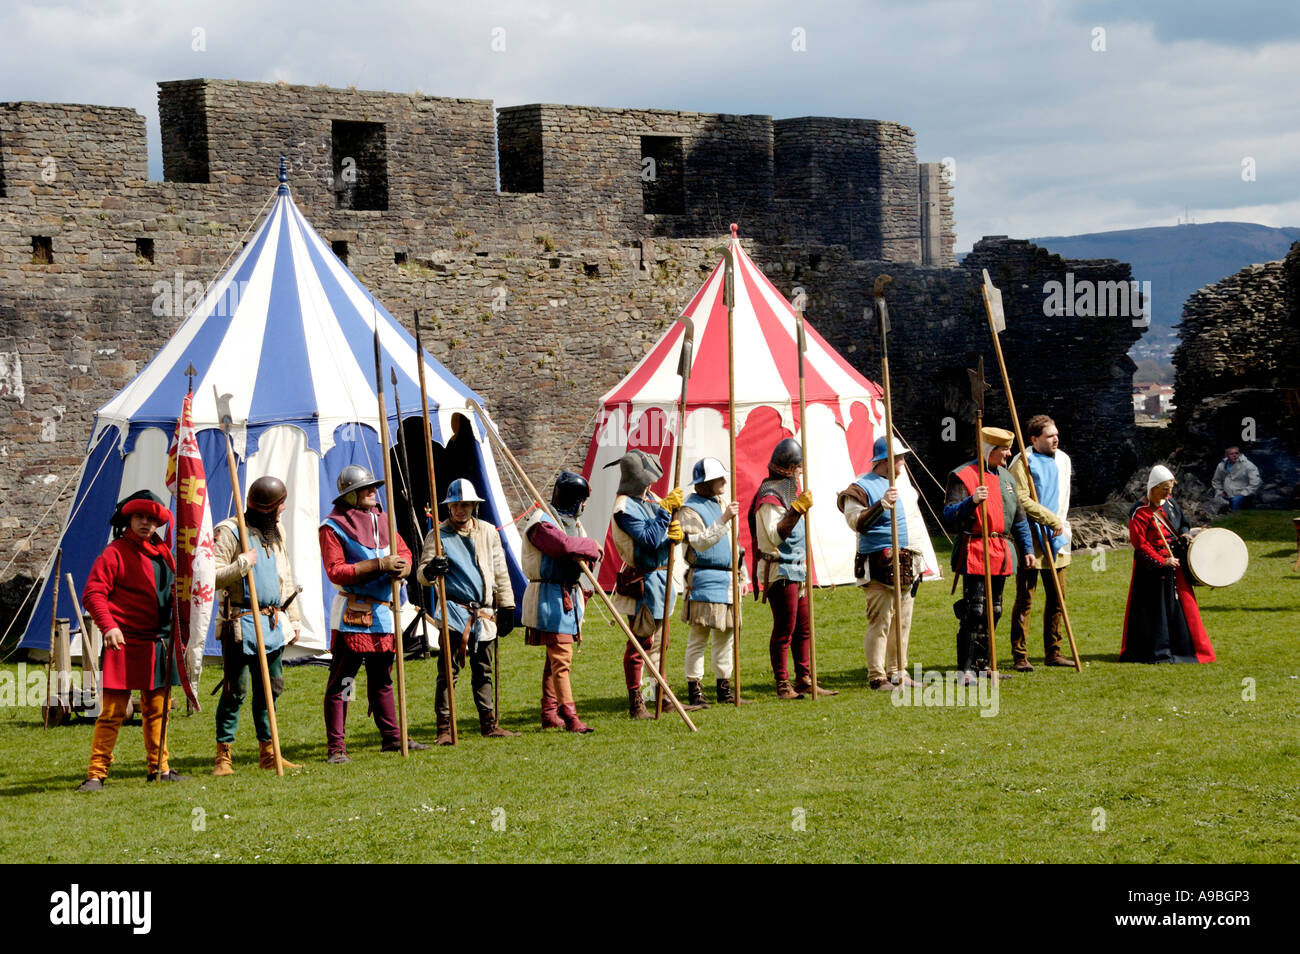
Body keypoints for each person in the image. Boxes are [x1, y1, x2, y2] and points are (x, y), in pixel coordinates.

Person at [77, 491, 185, 790]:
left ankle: (159, 769)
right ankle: (96, 774)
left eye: (152, 519)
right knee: (112, 713)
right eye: (140, 517)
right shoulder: (114, 553)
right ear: (129, 518)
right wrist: (108, 626)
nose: (146, 524)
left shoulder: (163, 553)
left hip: (157, 643)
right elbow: (93, 593)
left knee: (158, 711)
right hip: (122, 643)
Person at [320, 464, 427, 763]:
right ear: (350, 496)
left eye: (373, 487)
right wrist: (378, 566)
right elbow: (335, 571)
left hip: (383, 613)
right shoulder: (332, 527)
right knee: (345, 681)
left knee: (382, 679)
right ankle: (337, 747)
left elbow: (404, 552)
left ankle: (392, 738)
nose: (373, 491)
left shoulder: (382, 519)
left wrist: (402, 566)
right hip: (353, 613)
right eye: (365, 488)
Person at [211, 476, 302, 775]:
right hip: (240, 622)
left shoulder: (277, 531)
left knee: (270, 688)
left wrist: (295, 617)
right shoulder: (229, 531)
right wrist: (242, 564)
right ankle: (223, 756)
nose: (283, 509)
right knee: (235, 690)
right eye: (279, 505)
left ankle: (269, 752)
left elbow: (284, 575)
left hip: (273, 620)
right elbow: (210, 576)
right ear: (266, 508)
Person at [418, 478, 519, 743]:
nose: (460, 510)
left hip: (483, 615)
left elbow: (500, 570)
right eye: (455, 505)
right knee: (448, 673)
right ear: (449, 507)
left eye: (465, 505)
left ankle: (489, 723)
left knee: (483, 669)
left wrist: (507, 605)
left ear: (474, 506)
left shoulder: (488, 531)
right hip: (454, 614)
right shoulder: (437, 535)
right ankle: (445, 729)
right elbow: (422, 573)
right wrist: (431, 570)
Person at [942, 427, 1036, 680]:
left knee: (994, 610)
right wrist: (970, 501)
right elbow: (949, 516)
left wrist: (1026, 548)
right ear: (988, 450)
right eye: (1003, 449)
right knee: (974, 610)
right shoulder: (963, 475)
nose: (1008, 453)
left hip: (1000, 551)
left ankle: (983, 666)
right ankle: (965, 669)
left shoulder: (1007, 478)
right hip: (974, 549)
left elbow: (1019, 519)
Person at [838, 437, 926, 691]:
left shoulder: (904, 487)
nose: (903, 462)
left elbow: (913, 525)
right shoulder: (860, 488)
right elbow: (856, 522)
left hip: (906, 562)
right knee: (880, 621)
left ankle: (898, 671)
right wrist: (881, 505)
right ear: (885, 461)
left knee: (903, 621)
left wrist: (921, 560)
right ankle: (877, 676)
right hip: (876, 563)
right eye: (899, 457)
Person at [750, 437, 835, 699]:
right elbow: (775, 537)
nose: (801, 472)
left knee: (804, 628)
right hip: (780, 569)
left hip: (798, 568)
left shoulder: (791, 493)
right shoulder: (769, 498)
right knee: (784, 629)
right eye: (798, 467)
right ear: (789, 468)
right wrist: (796, 510)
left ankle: (804, 679)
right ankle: (782, 684)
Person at [519, 471, 602, 733]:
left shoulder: (572, 523)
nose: (584, 505)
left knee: (554, 659)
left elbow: (584, 552)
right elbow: (563, 547)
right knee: (561, 658)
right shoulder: (541, 523)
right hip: (549, 597)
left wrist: (587, 548)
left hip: (567, 595)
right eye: (581, 499)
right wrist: (589, 545)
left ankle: (549, 711)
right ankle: (570, 715)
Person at [607, 449, 682, 719]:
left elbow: (662, 537)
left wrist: (676, 534)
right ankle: (638, 701)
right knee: (641, 645)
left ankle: (658, 695)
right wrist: (664, 513)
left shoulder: (652, 499)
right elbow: (649, 540)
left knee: (661, 645)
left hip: (662, 580)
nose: (651, 483)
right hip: (642, 583)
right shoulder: (624, 508)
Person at [1120, 465, 1215, 663]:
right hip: (1150, 570)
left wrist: (1185, 534)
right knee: (1154, 613)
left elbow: (1184, 523)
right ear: (1153, 487)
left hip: (1175, 565)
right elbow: (1140, 545)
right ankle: (1155, 651)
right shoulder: (1140, 511)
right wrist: (1162, 561)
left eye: (1170, 488)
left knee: (1182, 609)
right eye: (1164, 488)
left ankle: (1183, 649)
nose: (1169, 492)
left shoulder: (1170, 503)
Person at [1007, 415, 1075, 671]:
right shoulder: (1022, 462)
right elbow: (1020, 498)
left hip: (1058, 537)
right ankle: (1020, 655)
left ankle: (1053, 651)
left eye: (1056, 434)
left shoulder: (1064, 460)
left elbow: (1063, 497)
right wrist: (1048, 519)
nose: (1055, 438)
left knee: (1058, 598)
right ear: (1034, 439)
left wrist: (1059, 524)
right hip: (1031, 539)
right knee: (1025, 598)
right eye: (1049, 435)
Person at [678, 457, 745, 707]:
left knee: (726, 636)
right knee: (699, 637)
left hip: (728, 579)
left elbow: (734, 543)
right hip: (704, 579)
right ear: (705, 483)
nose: (725, 481)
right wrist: (724, 519)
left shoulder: (721, 503)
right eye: (719, 478)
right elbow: (700, 542)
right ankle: (695, 690)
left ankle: (724, 689)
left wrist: (742, 574)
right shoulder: (689, 509)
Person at [1211, 446, 1261, 511]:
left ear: (1239, 454)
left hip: (1242, 494)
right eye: (1232, 454)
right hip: (1226, 494)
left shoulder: (1248, 465)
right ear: (1226, 455)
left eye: (1236, 453)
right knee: (1217, 500)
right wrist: (1219, 491)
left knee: (1236, 501)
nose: (1234, 455)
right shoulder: (1221, 465)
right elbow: (1216, 480)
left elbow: (1256, 482)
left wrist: (1244, 492)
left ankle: (1235, 517)